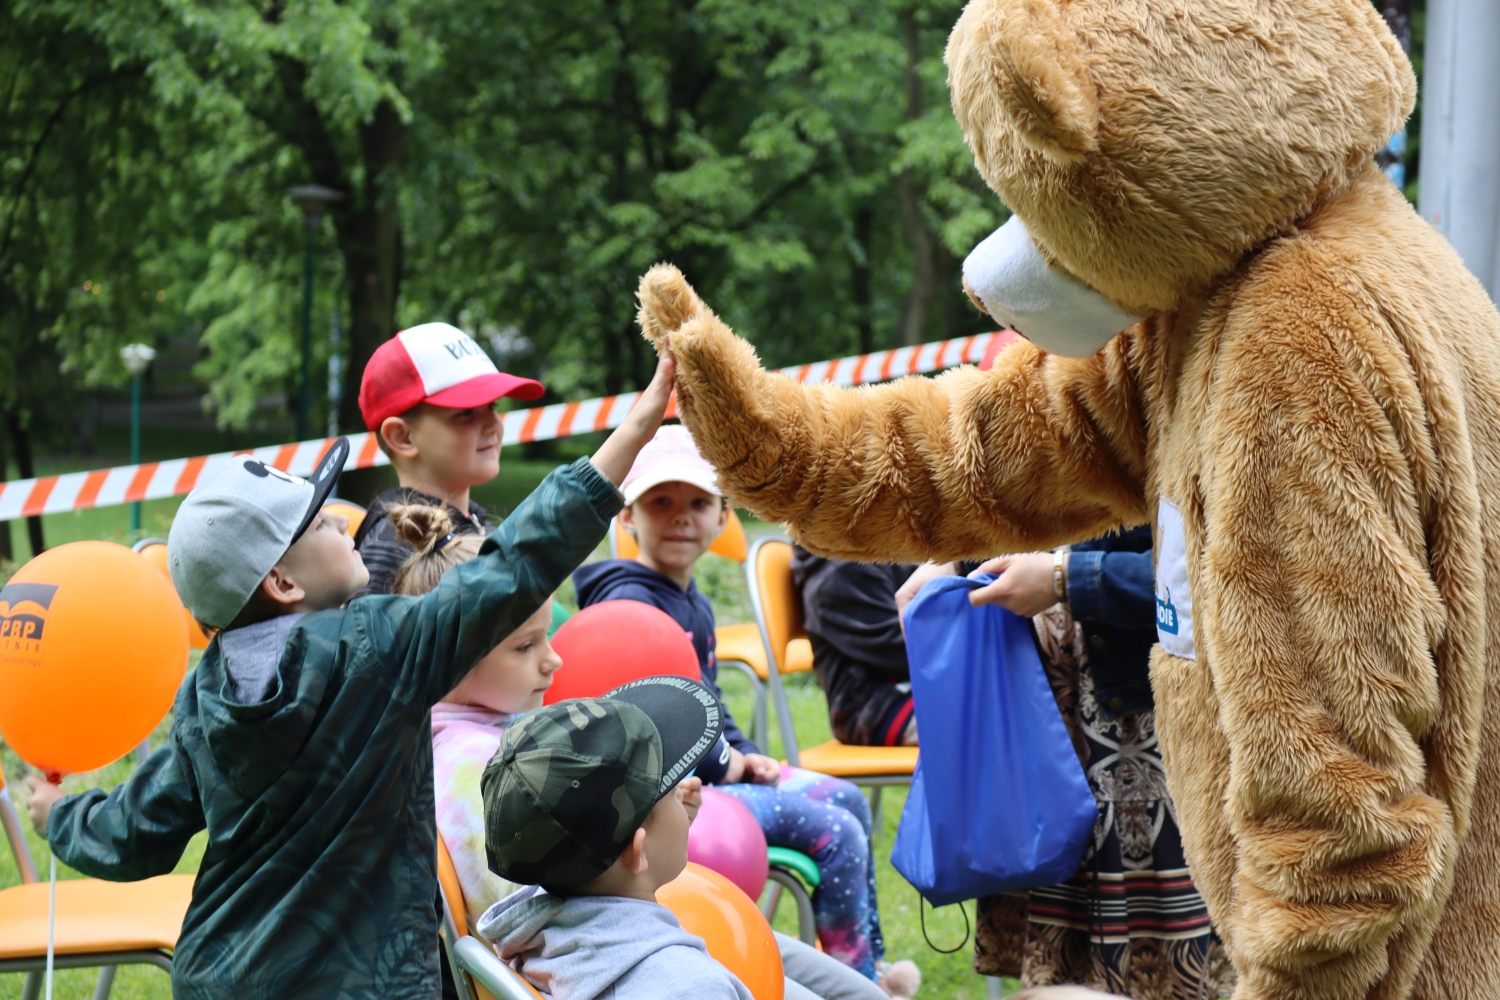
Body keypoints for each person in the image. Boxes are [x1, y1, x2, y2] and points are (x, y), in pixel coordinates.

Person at [23, 352, 674, 999]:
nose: (342, 517)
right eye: (319, 522)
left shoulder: (205, 694)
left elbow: (138, 832)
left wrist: (59, 815)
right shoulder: (380, 647)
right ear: (281, 582)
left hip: (224, 976)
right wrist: (636, 428)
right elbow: (515, 565)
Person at [571, 426, 918, 997]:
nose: (680, 517)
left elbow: (709, 704)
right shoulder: (629, 603)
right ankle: (854, 981)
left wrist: (748, 754)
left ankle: (866, 965)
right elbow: (654, 725)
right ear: (628, 517)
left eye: (698, 503)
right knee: (837, 831)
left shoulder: (692, 601)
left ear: (722, 516)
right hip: (675, 803)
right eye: (661, 502)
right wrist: (728, 763)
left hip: (721, 777)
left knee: (846, 797)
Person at [897, 529, 1227, 999]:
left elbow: (1229, 567)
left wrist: (1068, 578)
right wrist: (956, 557)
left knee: (1161, 968)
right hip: (1048, 711)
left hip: (1146, 716)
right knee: (1066, 971)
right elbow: (1037, 487)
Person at [476, 677, 889, 1000]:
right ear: (637, 850)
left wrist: (665, 822)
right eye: (670, 790)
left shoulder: (539, 931)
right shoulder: (690, 988)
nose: (689, 788)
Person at [385, 502, 553, 927]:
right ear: (452, 658)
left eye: (545, 636)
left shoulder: (458, 741)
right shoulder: (475, 769)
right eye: (525, 646)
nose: (554, 660)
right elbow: (533, 906)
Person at [351, 321, 545, 599]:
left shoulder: (474, 522)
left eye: (492, 406)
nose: (494, 424)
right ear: (402, 437)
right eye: (466, 412)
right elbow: (364, 640)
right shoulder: (391, 547)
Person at [791, 549, 919, 747]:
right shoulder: (840, 574)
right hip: (874, 709)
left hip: (909, 688)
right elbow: (900, 652)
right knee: (978, 720)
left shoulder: (875, 549)